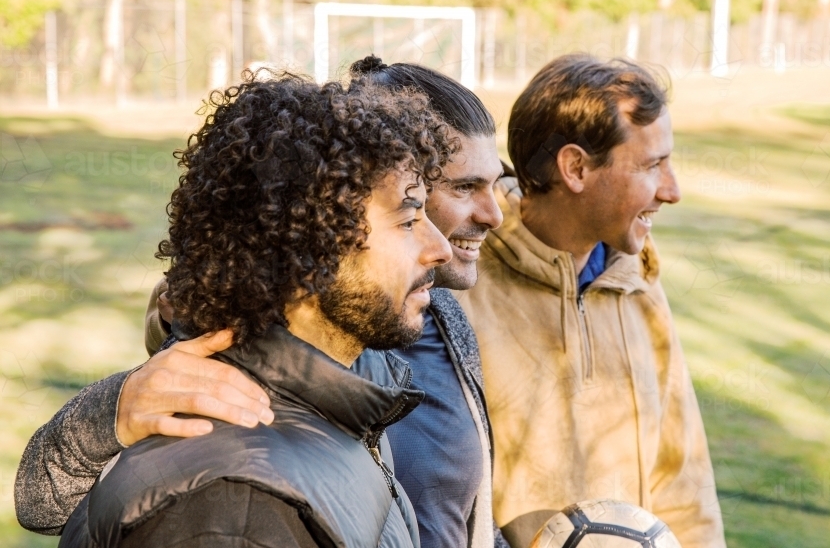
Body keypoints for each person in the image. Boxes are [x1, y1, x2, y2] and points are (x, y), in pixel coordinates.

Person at [15, 60, 509, 548]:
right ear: (309, 238)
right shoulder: (232, 504)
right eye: (410, 215)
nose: (491, 217)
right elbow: (46, 498)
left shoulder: (389, 347)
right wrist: (109, 412)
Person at [456, 54, 728, 547]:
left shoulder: (637, 280)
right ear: (575, 168)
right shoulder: (459, 285)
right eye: (652, 165)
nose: (673, 191)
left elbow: (683, 476)